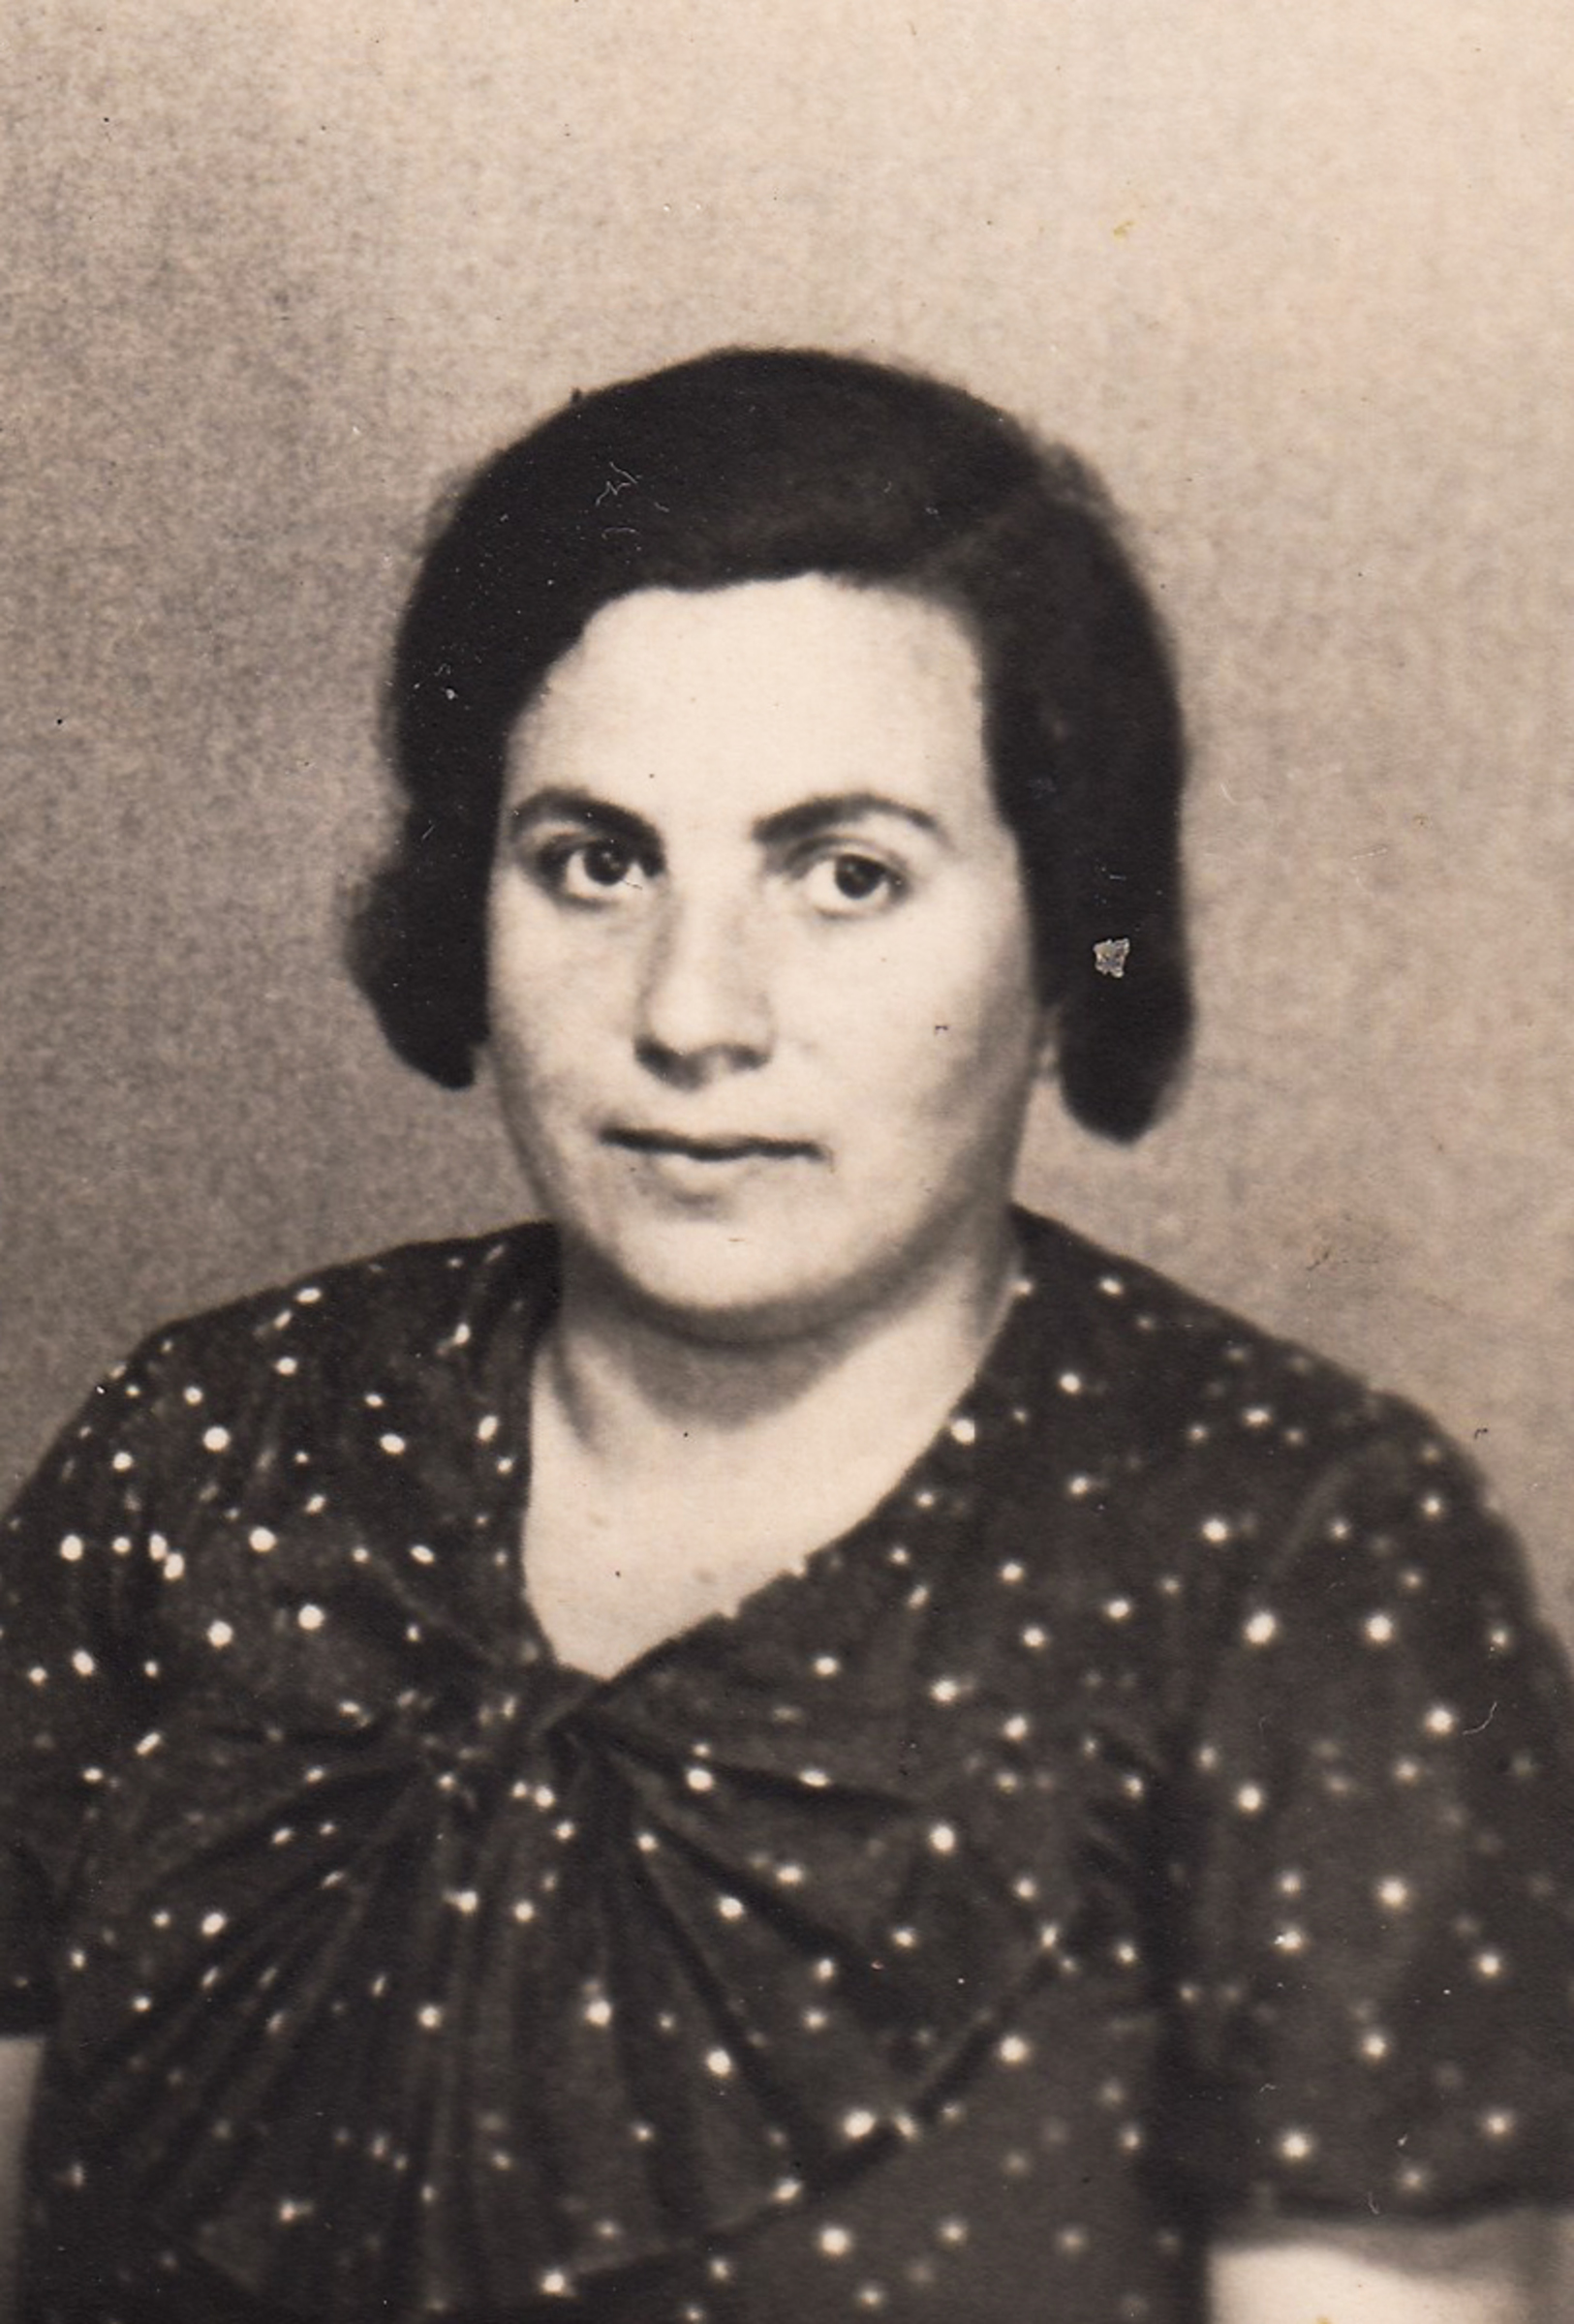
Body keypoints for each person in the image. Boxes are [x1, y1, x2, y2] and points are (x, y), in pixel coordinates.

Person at [2, 348, 1572, 2324]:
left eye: (845, 877)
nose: (691, 1013)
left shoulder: (1295, 1570)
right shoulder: (208, 1451)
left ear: (1065, 933)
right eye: (596, 862)